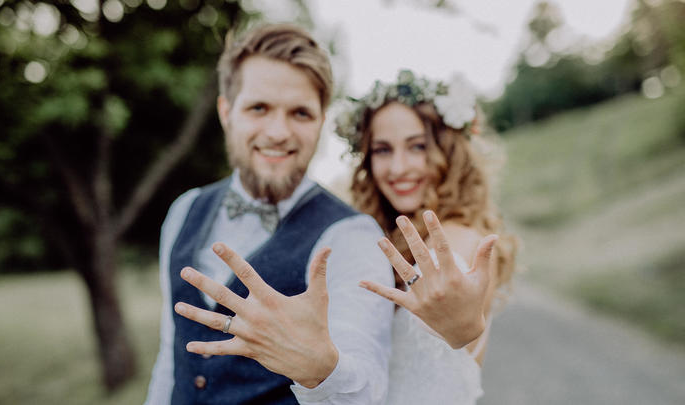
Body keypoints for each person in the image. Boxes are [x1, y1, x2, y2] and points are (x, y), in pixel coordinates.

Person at [145, 24, 493, 404]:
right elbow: (169, 356)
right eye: (259, 107)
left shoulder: (353, 237)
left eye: (300, 113)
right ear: (226, 111)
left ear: (322, 123)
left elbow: (368, 383)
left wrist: (321, 369)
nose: (278, 132)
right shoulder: (184, 210)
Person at [334, 70, 518, 404]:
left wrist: (462, 328)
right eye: (382, 150)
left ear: (449, 152)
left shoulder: (457, 242)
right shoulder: (386, 238)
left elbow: (460, 328)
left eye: (417, 146)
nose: (398, 167)